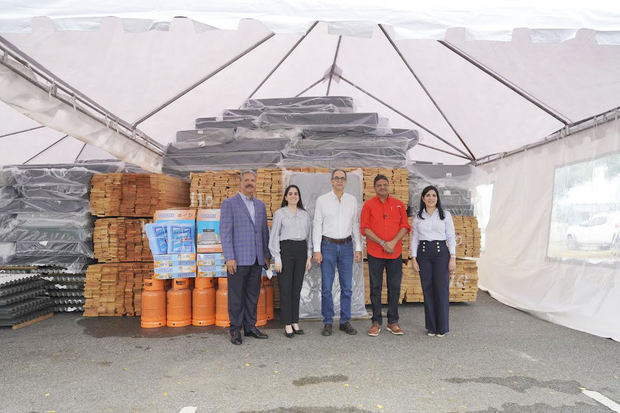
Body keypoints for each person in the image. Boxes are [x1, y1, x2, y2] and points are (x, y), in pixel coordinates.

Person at [220, 170, 271, 345]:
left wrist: (266, 255)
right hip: (238, 260)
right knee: (236, 296)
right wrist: (229, 257)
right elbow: (225, 232)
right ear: (240, 183)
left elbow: (264, 232)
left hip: (256, 259)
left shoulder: (260, 205)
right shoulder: (229, 204)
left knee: (252, 295)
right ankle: (235, 330)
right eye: (247, 180)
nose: (250, 182)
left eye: (253, 180)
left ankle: (250, 327)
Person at [313, 169, 362, 336]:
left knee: (346, 287)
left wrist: (358, 248)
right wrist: (316, 250)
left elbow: (355, 224)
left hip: (347, 246)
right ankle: (328, 321)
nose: (339, 181)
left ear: (345, 181)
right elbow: (317, 225)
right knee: (327, 286)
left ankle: (344, 321)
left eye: (342, 178)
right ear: (331, 181)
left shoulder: (352, 200)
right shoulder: (322, 200)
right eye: (337, 178)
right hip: (328, 246)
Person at [360, 174, 410, 336]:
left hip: (394, 253)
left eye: (385, 184)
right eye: (379, 185)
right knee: (375, 287)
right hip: (375, 252)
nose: (382, 187)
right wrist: (382, 243)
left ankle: (393, 321)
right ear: (374, 188)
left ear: (389, 186)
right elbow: (365, 228)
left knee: (394, 287)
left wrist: (393, 243)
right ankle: (376, 322)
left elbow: (405, 226)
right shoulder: (368, 205)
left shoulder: (398, 205)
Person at [410, 185, 456, 337]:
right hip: (424, 254)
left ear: (437, 198)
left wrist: (453, 257)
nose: (431, 198)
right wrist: (414, 258)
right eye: (428, 195)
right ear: (423, 198)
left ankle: (442, 327)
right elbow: (415, 238)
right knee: (427, 290)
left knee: (441, 290)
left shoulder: (445, 215)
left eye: (434, 195)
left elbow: (451, 237)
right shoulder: (418, 217)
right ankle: (431, 326)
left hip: (441, 254)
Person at [268, 185, 312, 338]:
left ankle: (295, 321)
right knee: (285, 289)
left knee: (296, 288)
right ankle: (287, 323)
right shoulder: (280, 214)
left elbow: (309, 237)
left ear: (299, 197)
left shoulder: (305, 215)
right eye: (290, 194)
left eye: (296, 194)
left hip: (301, 250)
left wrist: (308, 256)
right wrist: (277, 258)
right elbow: (273, 237)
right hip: (285, 250)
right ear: (285, 197)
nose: (293, 196)